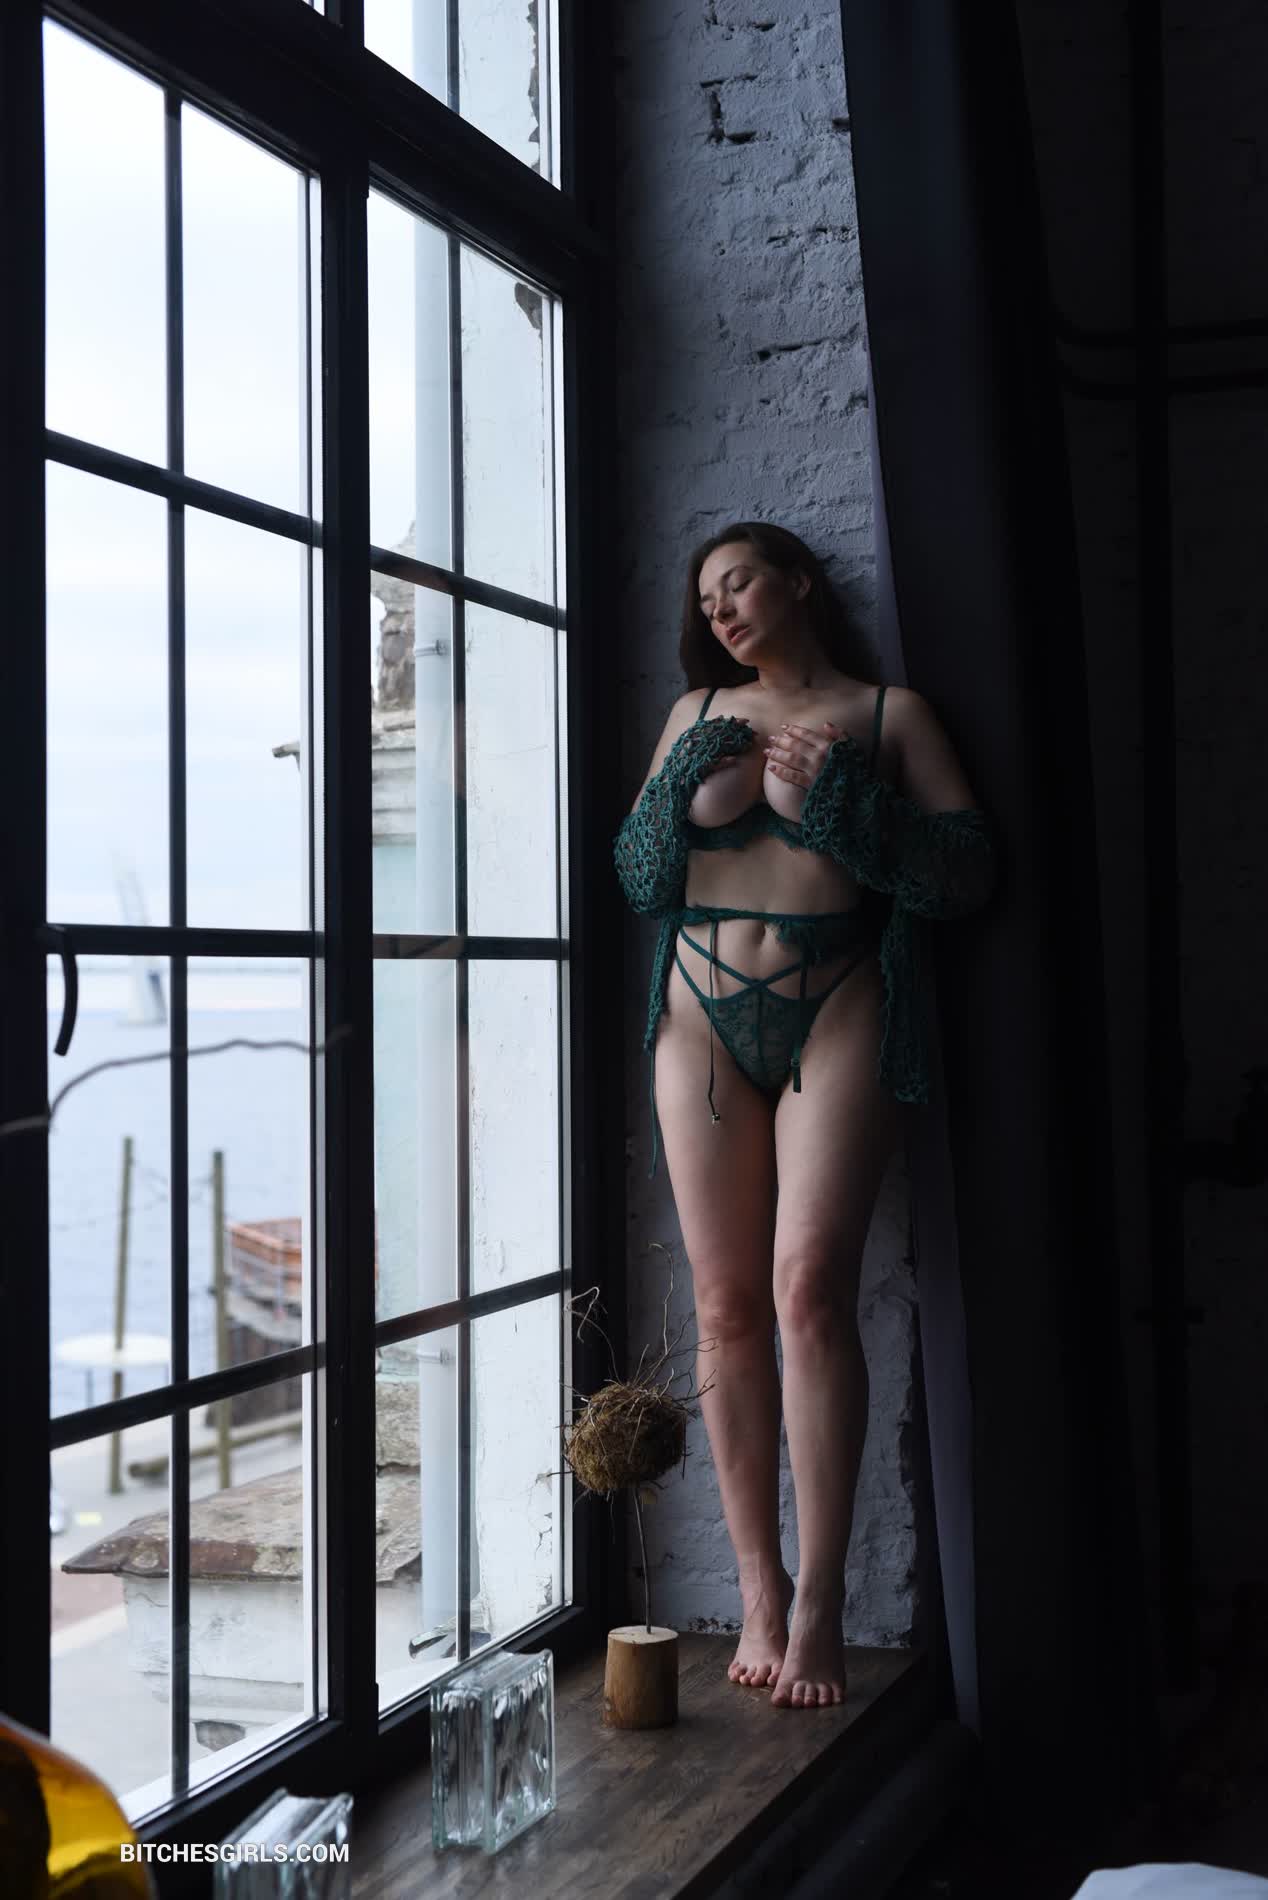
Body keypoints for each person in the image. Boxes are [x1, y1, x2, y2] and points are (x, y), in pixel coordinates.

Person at [614, 521, 997, 1710]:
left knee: (806, 1291)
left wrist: (846, 809)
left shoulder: (889, 714)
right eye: (705, 599)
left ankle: (822, 1598)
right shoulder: (692, 711)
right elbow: (637, 875)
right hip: (697, 1017)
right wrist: (679, 782)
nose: (721, 609)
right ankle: (759, 1588)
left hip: (838, 1003)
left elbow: (966, 873)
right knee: (724, 1304)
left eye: (737, 583)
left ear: (795, 581)